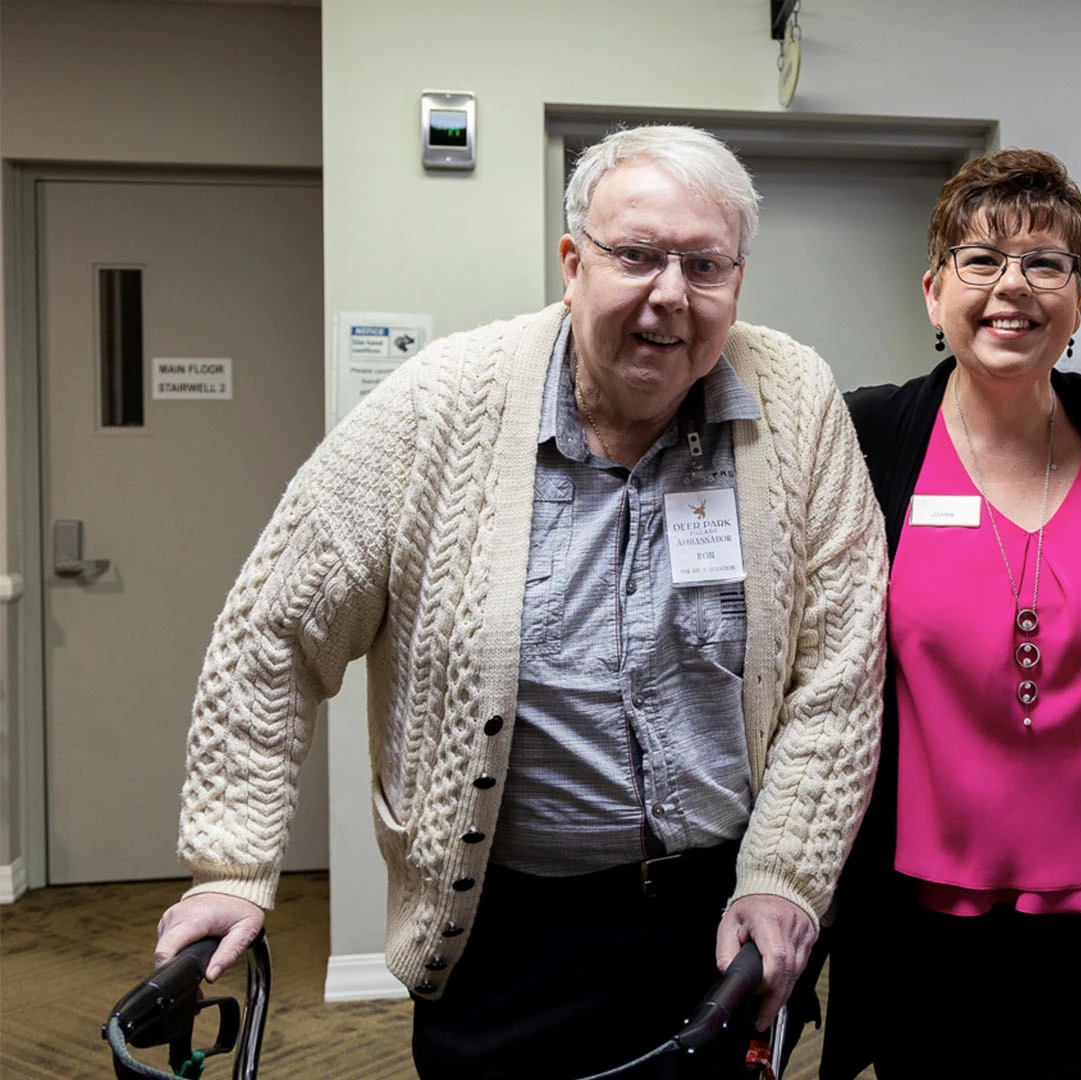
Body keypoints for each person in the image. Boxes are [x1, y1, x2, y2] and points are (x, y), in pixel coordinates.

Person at [151, 125, 887, 1079]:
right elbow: (272, 633)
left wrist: (786, 876)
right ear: (573, 264)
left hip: (718, 928)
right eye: (637, 255)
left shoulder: (796, 401)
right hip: (502, 934)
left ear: (737, 281)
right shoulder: (439, 405)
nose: (671, 294)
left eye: (705, 265)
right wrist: (230, 867)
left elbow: (840, 668)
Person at [819, 149, 1081, 1080]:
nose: (1012, 286)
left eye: (1045, 263)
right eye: (981, 259)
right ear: (933, 291)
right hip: (924, 923)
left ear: (1079, 298)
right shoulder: (872, 436)